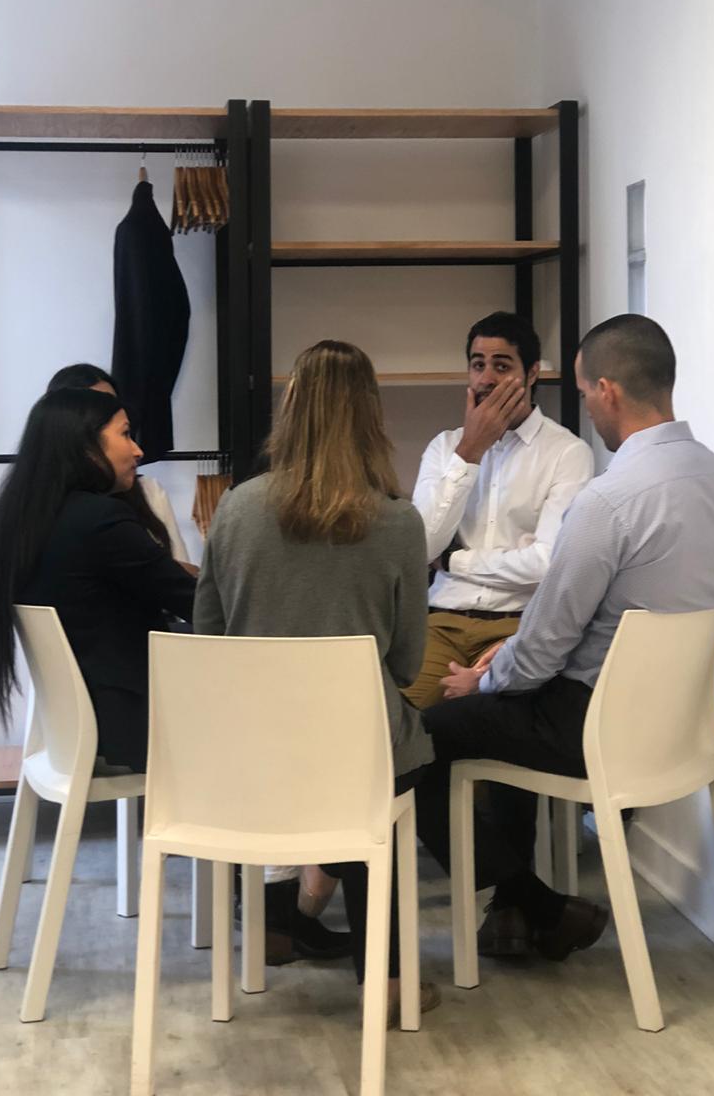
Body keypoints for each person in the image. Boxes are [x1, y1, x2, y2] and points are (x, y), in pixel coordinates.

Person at [411, 314, 714, 960]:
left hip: (592, 723)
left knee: (425, 738)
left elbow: (542, 649)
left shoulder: (607, 501)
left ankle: (536, 905)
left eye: (583, 392)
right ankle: (529, 909)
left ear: (607, 391)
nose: (588, 408)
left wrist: (482, 680)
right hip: (681, 725)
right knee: (504, 702)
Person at [194, 340, 439, 1022]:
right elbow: (407, 664)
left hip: (251, 762)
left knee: (351, 762)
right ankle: (386, 978)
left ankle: (285, 916)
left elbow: (206, 639)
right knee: (381, 761)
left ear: (291, 410)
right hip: (355, 760)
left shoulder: (235, 509)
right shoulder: (399, 522)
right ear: (371, 417)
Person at [0, 388, 196, 772]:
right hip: (130, 726)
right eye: (126, 434)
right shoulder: (101, 520)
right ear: (85, 446)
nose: (138, 451)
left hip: (75, 726)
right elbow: (195, 602)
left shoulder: (24, 518)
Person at [403, 311, 593, 710]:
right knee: (397, 715)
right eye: (478, 365)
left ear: (532, 373)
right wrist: (470, 450)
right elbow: (421, 548)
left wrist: (454, 561)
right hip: (443, 619)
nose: (486, 379)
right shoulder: (446, 448)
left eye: (502, 366)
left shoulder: (567, 453)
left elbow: (546, 563)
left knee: (489, 717)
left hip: (518, 625)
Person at [47, 363, 194, 571]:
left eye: (112, 405)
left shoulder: (149, 491)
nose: (137, 451)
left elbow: (182, 571)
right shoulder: (42, 508)